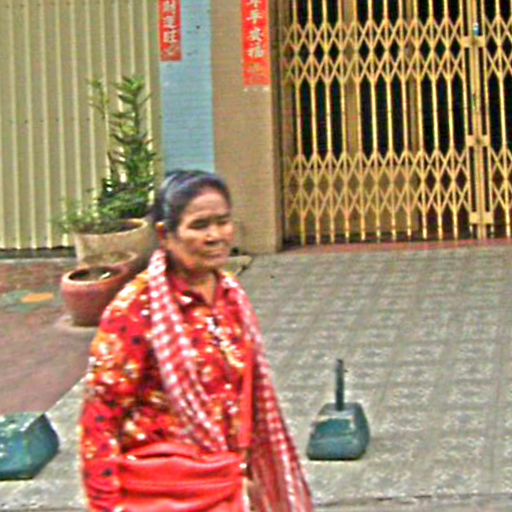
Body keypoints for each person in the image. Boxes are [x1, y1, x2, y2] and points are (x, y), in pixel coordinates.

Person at [80, 169, 313, 511]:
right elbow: (101, 414)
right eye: (200, 226)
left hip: (225, 486)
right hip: (161, 493)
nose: (215, 236)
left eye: (223, 222)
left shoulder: (231, 298)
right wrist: (105, 504)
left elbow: (243, 396)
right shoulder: (135, 309)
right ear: (165, 234)